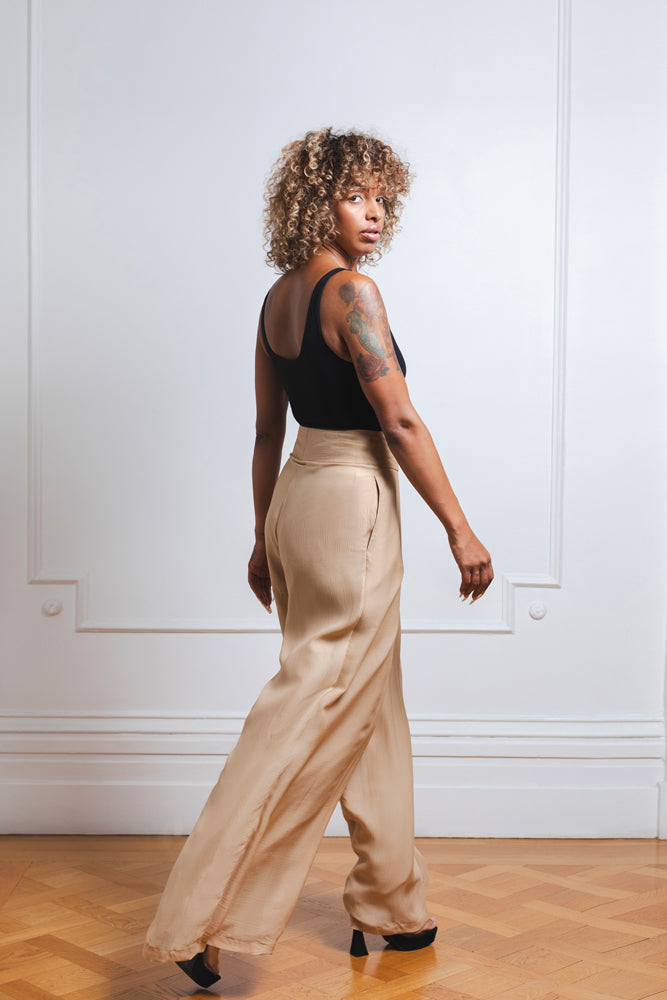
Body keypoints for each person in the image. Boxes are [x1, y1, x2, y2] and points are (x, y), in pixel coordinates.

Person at [142, 127, 493, 989]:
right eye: (355, 195)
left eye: (382, 198)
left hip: (299, 496)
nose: (374, 213)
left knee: (371, 701)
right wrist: (458, 526)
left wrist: (262, 534)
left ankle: (393, 905)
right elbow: (398, 421)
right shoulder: (353, 295)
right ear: (315, 201)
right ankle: (197, 916)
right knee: (304, 707)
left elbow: (268, 431)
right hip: (352, 501)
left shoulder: (277, 300)